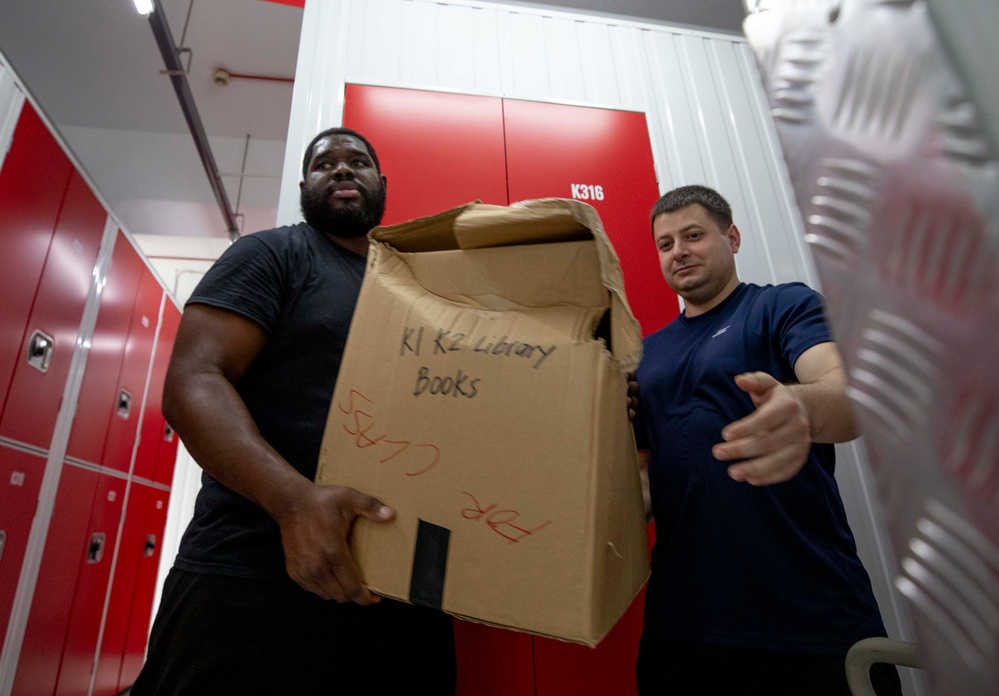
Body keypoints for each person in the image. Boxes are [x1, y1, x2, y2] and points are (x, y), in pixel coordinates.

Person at [130, 128, 456, 695]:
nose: (342, 169)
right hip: (250, 578)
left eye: (358, 161)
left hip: (399, 591)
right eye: (324, 163)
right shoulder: (273, 254)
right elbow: (193, 381)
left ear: (382, 182)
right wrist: (294, 503)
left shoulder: (419, 287)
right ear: (304, 184)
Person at [633, 185, 902, 695]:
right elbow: (645, 483)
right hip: (685, 628)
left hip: (810, 620)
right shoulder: (645, 356)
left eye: (693, 235)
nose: (679, 251)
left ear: (731, 238)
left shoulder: (782, 306)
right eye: (665, 244)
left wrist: (799, 406)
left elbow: (845, 393)